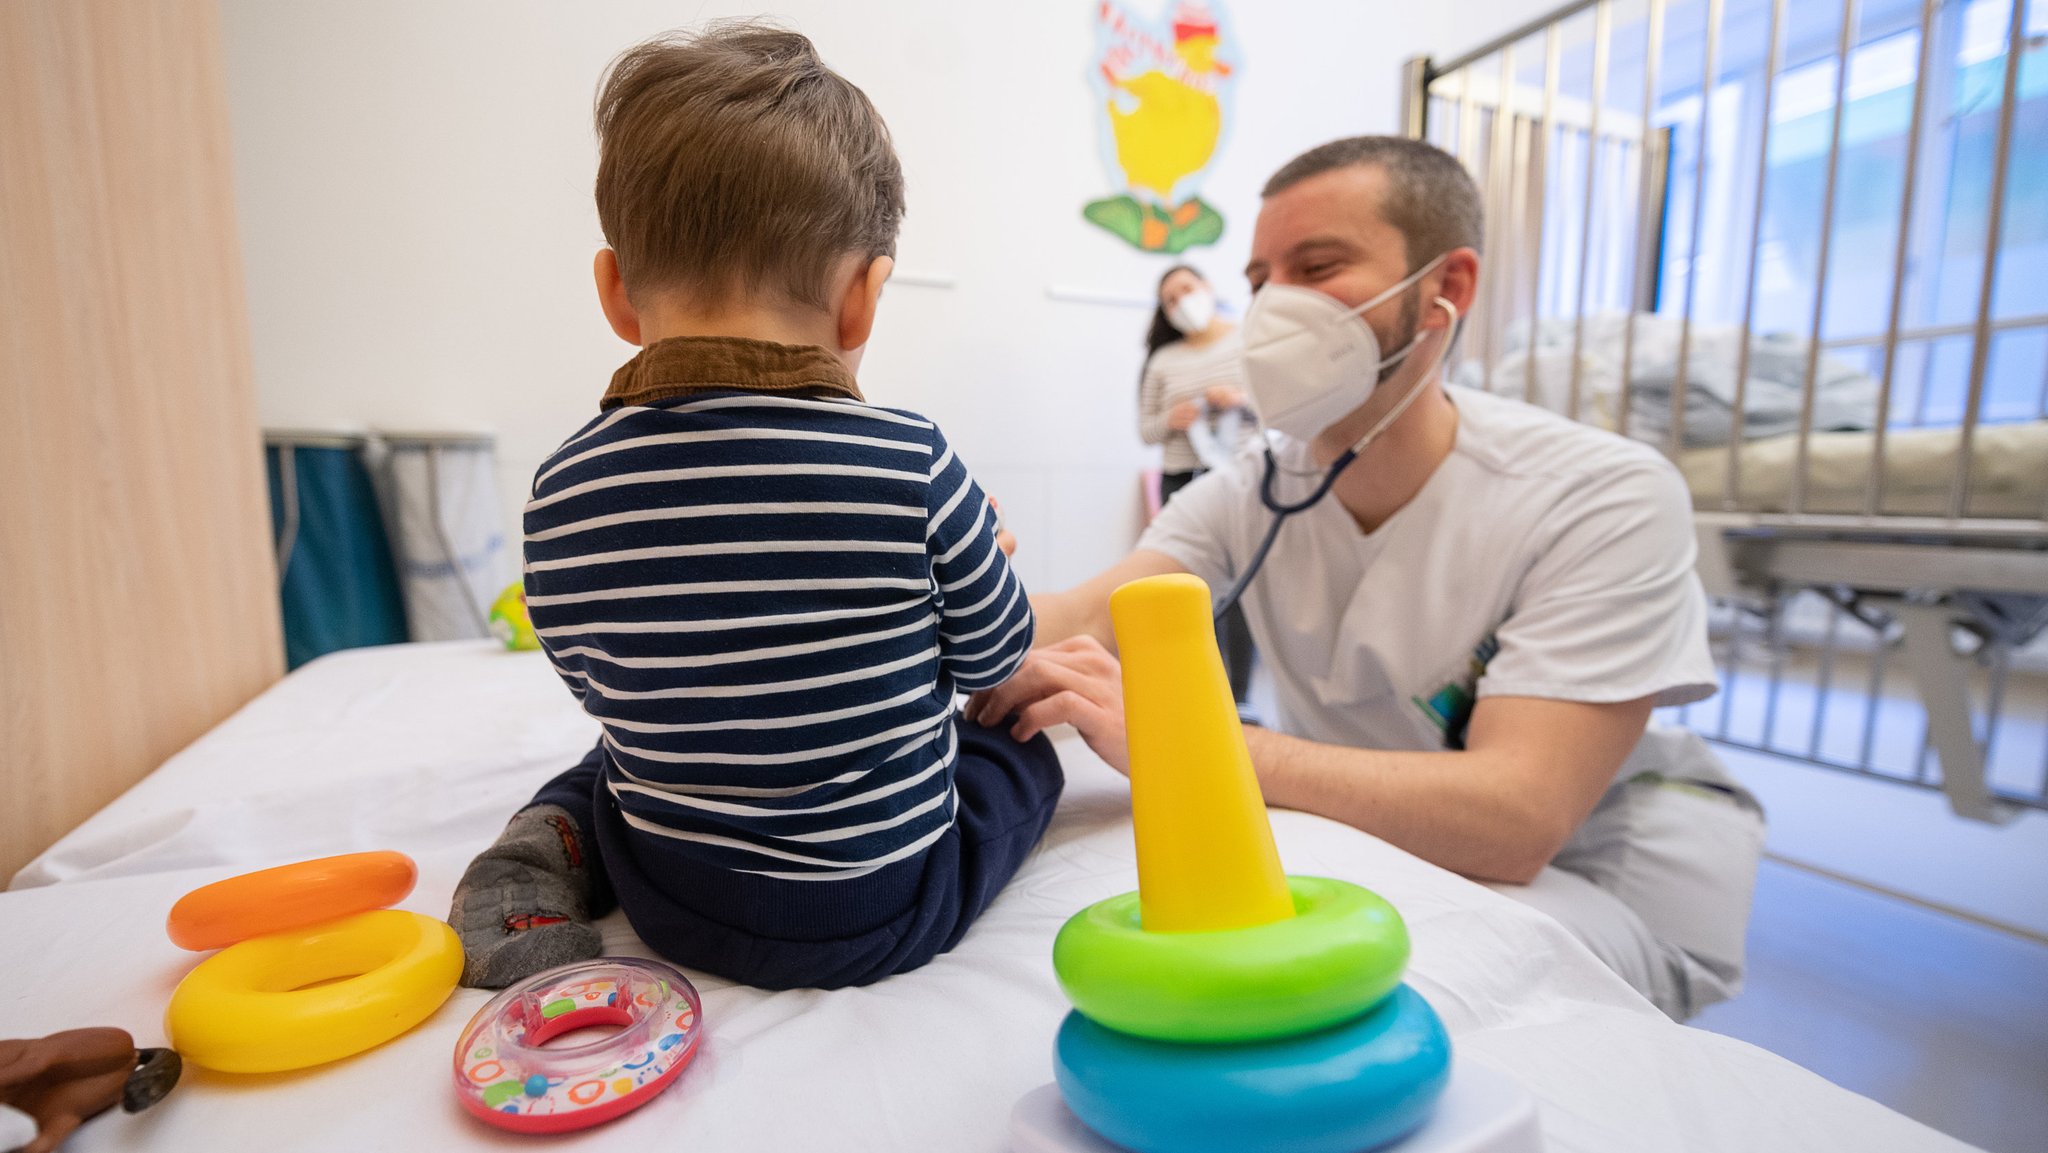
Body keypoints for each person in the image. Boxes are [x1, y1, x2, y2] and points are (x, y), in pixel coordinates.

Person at [972, 136, 1764, 1021]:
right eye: (1263, 276)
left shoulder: (1602, 494)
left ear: (1446, 290)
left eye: (1319, 266)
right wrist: (932, 575)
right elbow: (1080, 616)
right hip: (1379, 832)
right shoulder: (1253, 487)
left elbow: (1517, 817)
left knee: (1366, 990)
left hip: (1597, 869)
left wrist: (1184, 738)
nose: (1275, 306)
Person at [446, 23, 1062, 992]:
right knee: (1019, 754)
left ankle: (552, 839)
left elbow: (601, 687)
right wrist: (976, 553)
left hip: (673, 899)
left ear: (614, 291)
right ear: (862, 300)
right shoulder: (912, 458)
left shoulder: (562, 487)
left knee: (619, 757)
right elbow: (994, 659)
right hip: (884, 908)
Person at [1136, 264, 1257, 701]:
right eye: (1170, 299)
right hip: (1181, 481)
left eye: (1186, 289)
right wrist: (1170, 420)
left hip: (1239, 481)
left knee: (1242, 591)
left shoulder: (1248, 340)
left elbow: (1278, 408)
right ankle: (1204, 690)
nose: (1181, 301)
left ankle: (1239, 696)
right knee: (1192, 590)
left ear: (1208, 286)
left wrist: (1241, 402)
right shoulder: (1163, 361)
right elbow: (1145, 430)